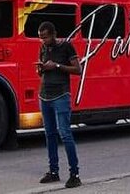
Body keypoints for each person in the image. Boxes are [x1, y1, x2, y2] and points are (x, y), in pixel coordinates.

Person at [36, 21, 82, 189]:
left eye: (46, 37)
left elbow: (78, 69)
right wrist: (41, 69)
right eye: (40, 38)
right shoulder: (42, 48)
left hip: (61, 95)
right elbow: (43, 68)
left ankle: (74, 174)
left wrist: (56, 65)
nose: (43, 41)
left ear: (54, 34)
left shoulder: (66, 47)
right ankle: (53, 171)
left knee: (65, 134)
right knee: (49, 134)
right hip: (45, 95)